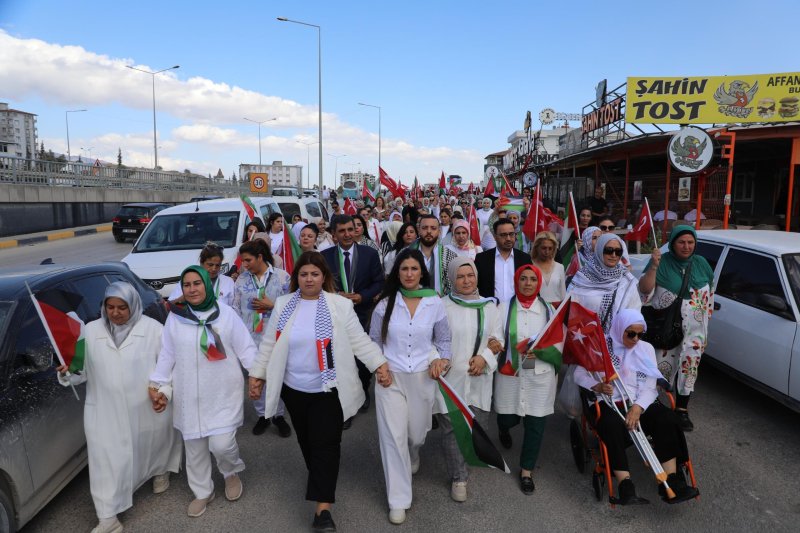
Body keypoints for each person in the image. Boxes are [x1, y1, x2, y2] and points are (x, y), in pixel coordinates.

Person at [248, 252, 392, 532]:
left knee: (326, 445)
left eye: (315, 274)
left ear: (324, 277)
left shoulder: (339, 305)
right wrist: (257, 375)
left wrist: (379, 364)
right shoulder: (284, 305)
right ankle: (321, 478)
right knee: (308, 443)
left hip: (328, 390)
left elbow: (359, 340)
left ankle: (322, 511)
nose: (309, 279)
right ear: (297, 278)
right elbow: (269, 344)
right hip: (294, 390)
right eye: (304, 274)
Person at [57, 282, 182, 533]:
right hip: (104, 411)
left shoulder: (153, 330)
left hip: (146, 406)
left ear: (133, 305)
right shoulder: (89, 331)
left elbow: (171, 367)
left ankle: (160, 471)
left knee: (153, 445)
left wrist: (165, 392)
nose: (115, 313)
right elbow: (79, 372)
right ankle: (108, 518)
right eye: (110, 307)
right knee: (105, 461)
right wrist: (68, 372)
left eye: (122, 307)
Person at [149, 266, 258, 518]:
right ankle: (202, 492)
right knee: (195, 448)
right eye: (186, 285)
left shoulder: (226, 314)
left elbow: (246, 348)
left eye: (197, 283)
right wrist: (157, 383)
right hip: (189, 395)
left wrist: (256, 375)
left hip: (222, 392)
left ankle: (230, 472)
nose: (192, 289)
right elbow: (167, 354)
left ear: (207, 285)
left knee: (222, 445)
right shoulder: (176, 318)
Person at [573, 310, 699, 505]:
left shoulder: (645, 349)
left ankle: (672, 480)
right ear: (619, 329)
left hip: (638, 400)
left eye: (640, 334)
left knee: (666, 418)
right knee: (611, 425)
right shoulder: (599, 345)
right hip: (609, 401)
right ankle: (625, 485)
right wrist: (596, 386)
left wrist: (638, 408)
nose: (635, 339)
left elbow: (650, 386)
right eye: (631, 333)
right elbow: (578, 374)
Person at [369, 249, 451, 525]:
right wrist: (379, 367)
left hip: (422, 377)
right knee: (393, 438)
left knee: (416, 434)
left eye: (414, 269)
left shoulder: (434, 302)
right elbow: (373, 341)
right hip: (390, 378)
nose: (409, 274)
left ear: (421, 273)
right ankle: (398, 500)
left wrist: (441, 361)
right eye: (404, 269)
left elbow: (444, 340)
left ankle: (413, 452)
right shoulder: (385, 304)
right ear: (397, 272)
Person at [436, 257, 501, 502]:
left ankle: (465, 461)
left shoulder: (489, 307)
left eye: (470, 275)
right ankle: (459, 477)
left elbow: (498, 339)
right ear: (452, 279)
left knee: (476, 426)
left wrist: (484, 357)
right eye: (460, 276)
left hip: (478, 379)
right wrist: (437, 361)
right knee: (452, 429)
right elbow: (431, 339)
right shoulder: (441, 306)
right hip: (450, 380)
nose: (466, 281)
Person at [637, 225, 714, 431]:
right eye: (681, 242)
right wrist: (654, 267)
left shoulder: (702, 263)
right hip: (666, 329)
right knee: (660, 367)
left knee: (689, 368)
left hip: (695, 331)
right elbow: (644, 291)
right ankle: (650, 406)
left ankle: (681, 409)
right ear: (672, 243)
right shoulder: (661, 262)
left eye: (690, 242)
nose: (686, 246)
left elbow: (710, 296)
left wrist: (705, 329)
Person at [493, 265, 556, 495]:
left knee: (535, 424)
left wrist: (542, 350)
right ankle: (504, 428)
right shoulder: (503, 308)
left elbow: (558, 340)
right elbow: (495, 333)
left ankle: (526, 471)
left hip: (539, 373)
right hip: (511, 370)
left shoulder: (549, 309)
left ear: (538, 283)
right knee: (507, 416)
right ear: (516, 281)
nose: (528, 283)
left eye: (532, 279)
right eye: (523, 279)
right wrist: (496, 342)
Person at [321, 216, 384, 424]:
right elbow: (321, 285)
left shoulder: (369, 254)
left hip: (363, 314)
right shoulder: (325, 257)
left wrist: (362, 296)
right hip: (335, 316)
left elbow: (379, 282)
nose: (347, 234)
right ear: (334, 234)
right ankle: (345, 406)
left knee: (362, 360)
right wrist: (336, 295)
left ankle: (363, 388)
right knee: (340, 360)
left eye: (351, 229)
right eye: (342, 231)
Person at [233, 239, 292, 437]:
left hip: (275, 338)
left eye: (248, 260)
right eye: (243, 261)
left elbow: (293, 308)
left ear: (260, 257)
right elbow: (235, 308)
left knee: (277, 376)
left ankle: (278, 415)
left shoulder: (282, 277)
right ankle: (262, 416)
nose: (244, 264)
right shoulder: (241, 280)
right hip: (249, 339)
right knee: (255, 377)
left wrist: (272, 306)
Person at [569, 234, 650, 333]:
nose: (613, 255)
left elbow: (634, 314)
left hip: (618, 339)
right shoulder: (582, 277)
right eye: (608, 250)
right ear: (599, 250)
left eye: (618, 251)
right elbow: (570, 310)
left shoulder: (627, 281)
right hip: (584, 337)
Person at [474, 219, 533, 303]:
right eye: (503, 235)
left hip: (517, 309)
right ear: (495, 236)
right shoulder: (482, 259)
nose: (508, 238)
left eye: (511, 234)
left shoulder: (524, 259)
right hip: (490, 308)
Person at [168, 242, 236, 307]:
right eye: (210, 265)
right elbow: (170, 305)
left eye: (217, 265)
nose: (214, 269)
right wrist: (183, 298)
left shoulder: (228, 282)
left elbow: (234, 308)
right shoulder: (187, 281)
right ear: (201, 263)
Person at [413, 214, 458, 296]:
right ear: (419, 230)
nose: (429, 231)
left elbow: (454, 286)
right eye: (424, 228)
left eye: (433, 228)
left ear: (439, 231)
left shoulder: (450, 256)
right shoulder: (407, 253)